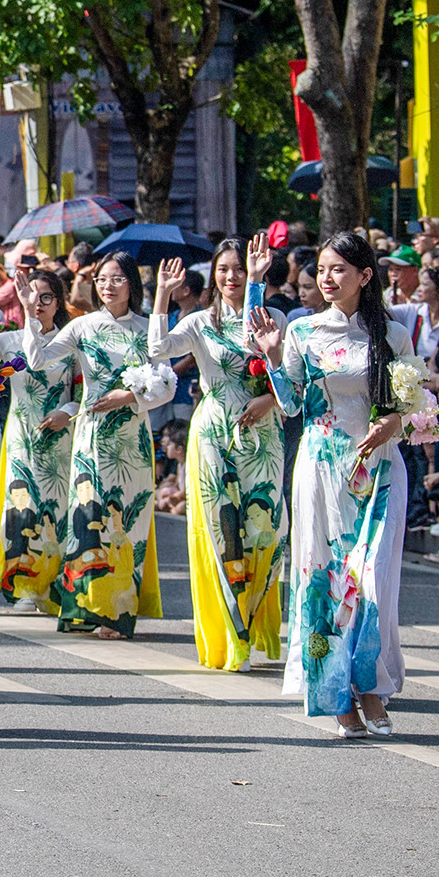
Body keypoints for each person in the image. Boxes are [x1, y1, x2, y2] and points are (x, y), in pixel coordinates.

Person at [252, 232, 411, 737]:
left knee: (371, 581)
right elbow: (293, 406)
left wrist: (394, 424)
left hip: (379, 472)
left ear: (366, 276)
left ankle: (371, 689)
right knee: (324, 579)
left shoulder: (394, 333)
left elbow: (409, 407)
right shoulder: (303, 332)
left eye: (339, 268)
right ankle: (337, 696)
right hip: (321, 469)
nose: (326, 277)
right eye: (322, 269)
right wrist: (275, 359)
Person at [149, 238, 286, 673]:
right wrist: (162, 294)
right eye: (224, 269)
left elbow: (279, 366)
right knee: (223, 533)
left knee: (265, 531)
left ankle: (256, 620)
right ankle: (233, 636)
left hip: (263, 438)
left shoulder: (273, 317)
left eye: (240, 269)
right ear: (213, 276)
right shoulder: (198, 323)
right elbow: (157, 351)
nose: (232, 276)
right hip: (214, 435)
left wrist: (268, 400)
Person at [21, 251, 172, 640]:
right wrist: (28, 313)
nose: (108, 285)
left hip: (131, 440)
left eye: (117, 278)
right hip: (89, 438)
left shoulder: (145, 328)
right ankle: (86, 608)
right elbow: (37, 360)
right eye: (102, 279)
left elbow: (165, 381)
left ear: (132, 284)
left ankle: (117, 614)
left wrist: (131, 397)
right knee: (86, 519)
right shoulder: (83, 327)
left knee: (127, 524)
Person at [0, 268, 78, 612]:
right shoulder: (9, 342)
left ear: (58, 303)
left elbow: (83, 389)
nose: (37, 304)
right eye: (31, 296)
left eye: (46, 297)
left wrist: (66, 411)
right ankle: (24, 586)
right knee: (20, 507)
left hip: (61, 438)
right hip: (21, 435)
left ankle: (53, 583)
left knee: (57, 509)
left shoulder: (71, 342)